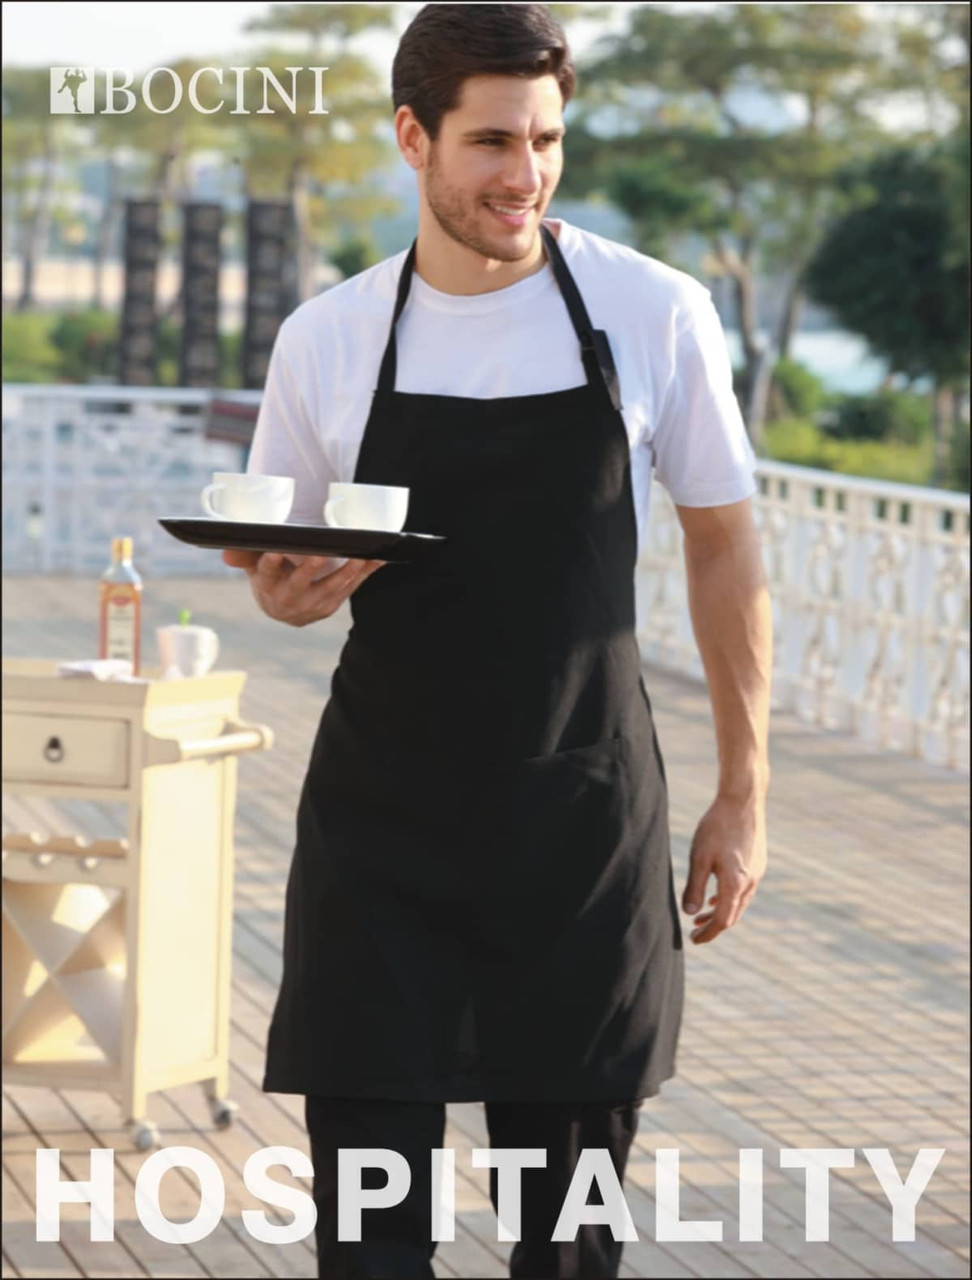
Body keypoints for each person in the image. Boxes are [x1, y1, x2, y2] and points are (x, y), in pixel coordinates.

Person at [225, 5, 772, 1276]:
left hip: (579, 826)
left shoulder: (656, 310)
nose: (523, 174)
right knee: (368, 1239)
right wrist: (281, 595)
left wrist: (746, 791)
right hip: (382, 831)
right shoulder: (332, 337)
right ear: (411, 139)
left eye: (546, 139)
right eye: (489, 142)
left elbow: (724, 543)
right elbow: (280, 558)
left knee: (570, 1244)